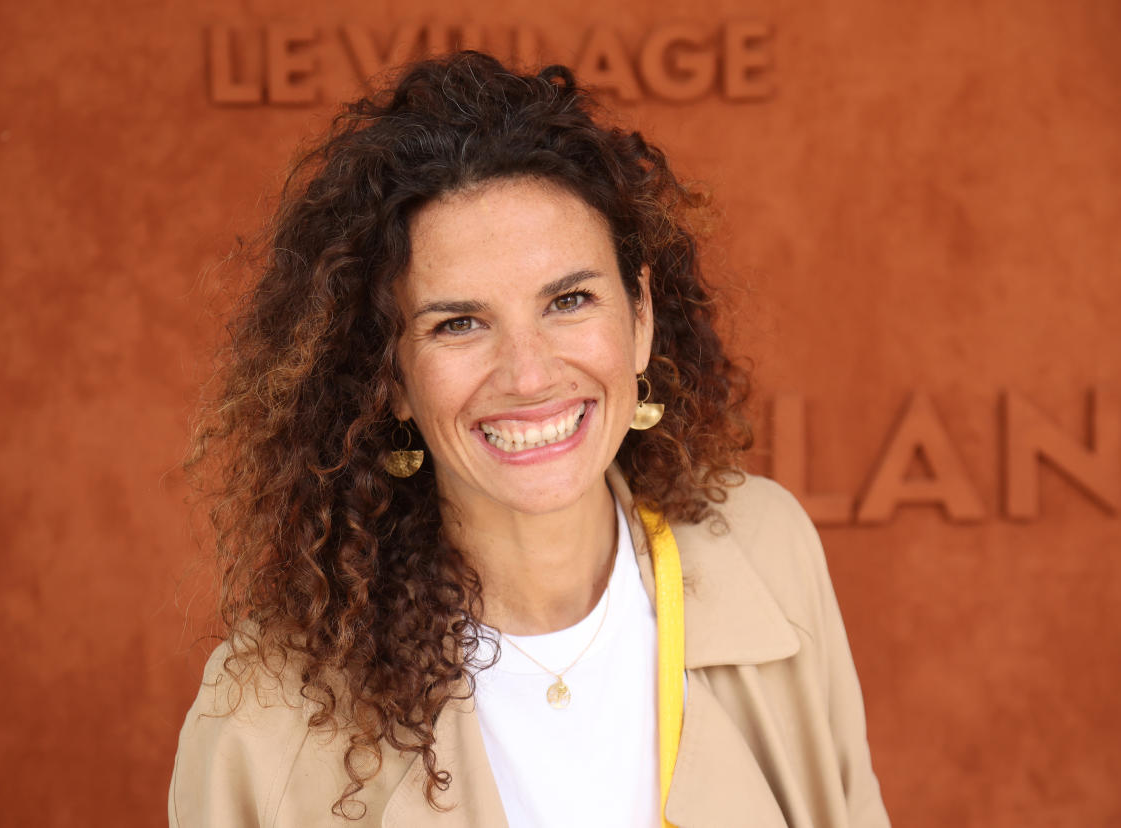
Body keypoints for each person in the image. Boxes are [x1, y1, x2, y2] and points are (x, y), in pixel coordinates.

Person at [170, 50, 889, 827]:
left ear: (639, 317)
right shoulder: (264, 718)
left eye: (569, 300)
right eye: (459, 323)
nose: (529, 374)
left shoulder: (767, 549)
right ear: (390, 378)